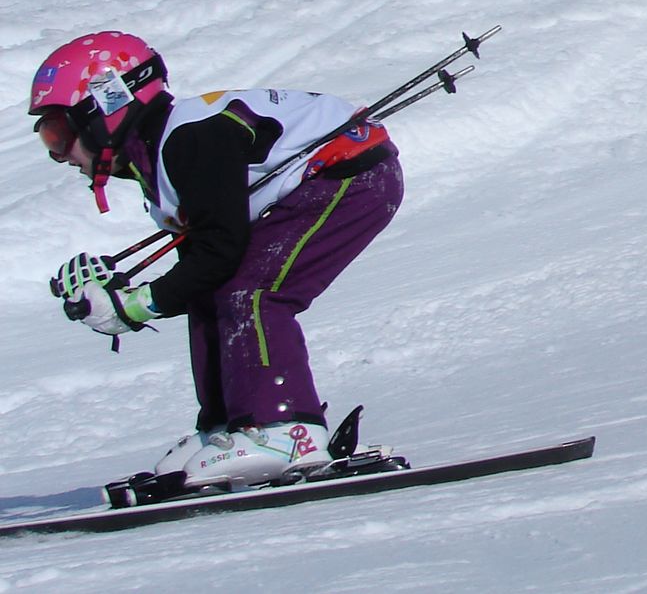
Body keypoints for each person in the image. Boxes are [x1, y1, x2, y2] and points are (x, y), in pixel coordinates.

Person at [29, 31, 403, 490]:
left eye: (57, 133)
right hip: (327, 180)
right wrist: (129, 300)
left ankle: (284, 429)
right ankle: (228, 427)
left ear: (105, 108)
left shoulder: (189, 140)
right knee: (215, 297)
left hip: (353, 176)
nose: (58, 155)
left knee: (251, 293)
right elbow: (202, 271)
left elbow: (220, 252)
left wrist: (139, 304)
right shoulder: (156, 155)